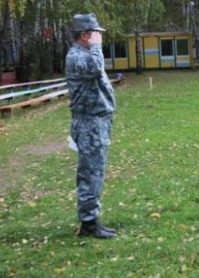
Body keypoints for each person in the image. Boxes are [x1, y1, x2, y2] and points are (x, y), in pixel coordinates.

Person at [65, 13, 117, 238]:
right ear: (85, 35)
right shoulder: (77, 56)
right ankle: (88, 223)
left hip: (97, 121)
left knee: (95, 171)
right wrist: (96, 47)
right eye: (96, 34)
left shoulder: (84, 53)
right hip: (89, 124)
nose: (99, 38)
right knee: (91, 173)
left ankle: (91, 220)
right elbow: (95, 68)